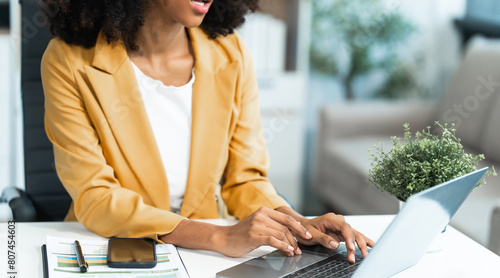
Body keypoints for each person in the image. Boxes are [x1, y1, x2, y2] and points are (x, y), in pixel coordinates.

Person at [41, 0, 374, 262]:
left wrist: (298, 224)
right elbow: (96, 197)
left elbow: (245, 179)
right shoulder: (69, 61)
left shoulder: (230, 53)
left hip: (203, 259)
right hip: (113, 247)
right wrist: (218, 237)